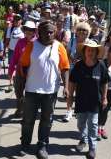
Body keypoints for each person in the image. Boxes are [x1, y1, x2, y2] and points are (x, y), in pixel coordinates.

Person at [18, 21, 70, 159]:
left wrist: (66, 87)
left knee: (47, 120)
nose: (48, 34)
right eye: (45, 31)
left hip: (50, 91)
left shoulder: (59, 47)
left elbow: (65, 67)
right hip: (31, 90)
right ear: (39, 32)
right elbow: (23, 66)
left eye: (51, 32)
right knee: (28, 119)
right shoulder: (31, 45)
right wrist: (21, 88)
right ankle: (25, 143)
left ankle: (42, 145)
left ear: (55, 33)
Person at [67, 40, 109, 159]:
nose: (90, 52)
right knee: (81, 123)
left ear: (96, 52)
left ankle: (92, 148)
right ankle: (83, 140)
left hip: (95, 101)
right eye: (88, 50)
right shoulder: (79, 65)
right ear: (84, 51)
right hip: (80, 101)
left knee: (93, 124)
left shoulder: (101, 65)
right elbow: (72, 81)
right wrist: (70, 97)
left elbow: (105, 82)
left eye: (93, 50)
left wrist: (105, 97)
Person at [8, 20, 37, 117]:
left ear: (34, 31)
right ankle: (20, 108)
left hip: (33, 71)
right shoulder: (20, 42)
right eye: (27, 29)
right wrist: (10, 71)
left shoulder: (37, 43)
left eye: (31, 30)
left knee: (30, 93)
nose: (29, 31)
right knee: (18, 91)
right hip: (20, 71)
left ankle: (27, 112)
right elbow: (14, 58)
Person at [65, 22, 91, 122]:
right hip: (72, 69)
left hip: (85, 70)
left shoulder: (90, 43)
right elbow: (66, 53)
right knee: (70, 92)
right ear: (76, 31)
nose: (82, 32)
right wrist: (70, 59)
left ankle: (78, 111)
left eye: (84, 30)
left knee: (81, 93)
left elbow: (94, 57)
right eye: (80, 29)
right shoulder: (72, 41)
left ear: (88, 32)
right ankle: (69, 111)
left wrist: (83, 60)